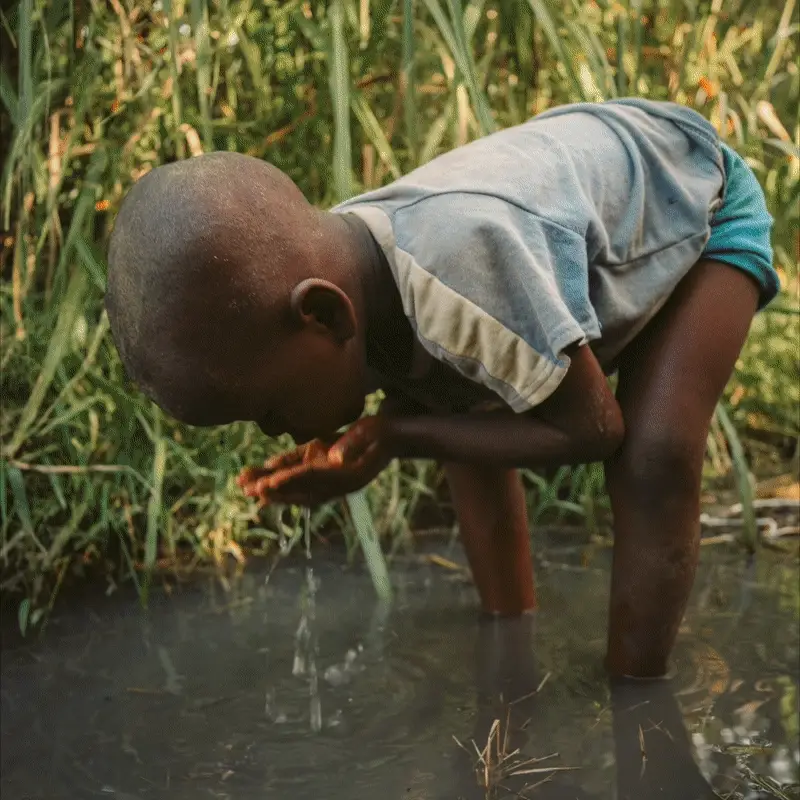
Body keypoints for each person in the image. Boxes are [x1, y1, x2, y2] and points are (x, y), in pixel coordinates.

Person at [104, 97, 779, 679]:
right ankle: (508, 641)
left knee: (653, 454)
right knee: (457, 397)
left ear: (325, 316)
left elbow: (593, 429)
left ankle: (638, 697)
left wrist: (394, 432)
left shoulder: (461, 268)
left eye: (270, 410)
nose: (276, 431)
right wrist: (397, 429)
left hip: (691, 204)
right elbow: (455, 409)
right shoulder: (351, 280)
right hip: (573, 228)